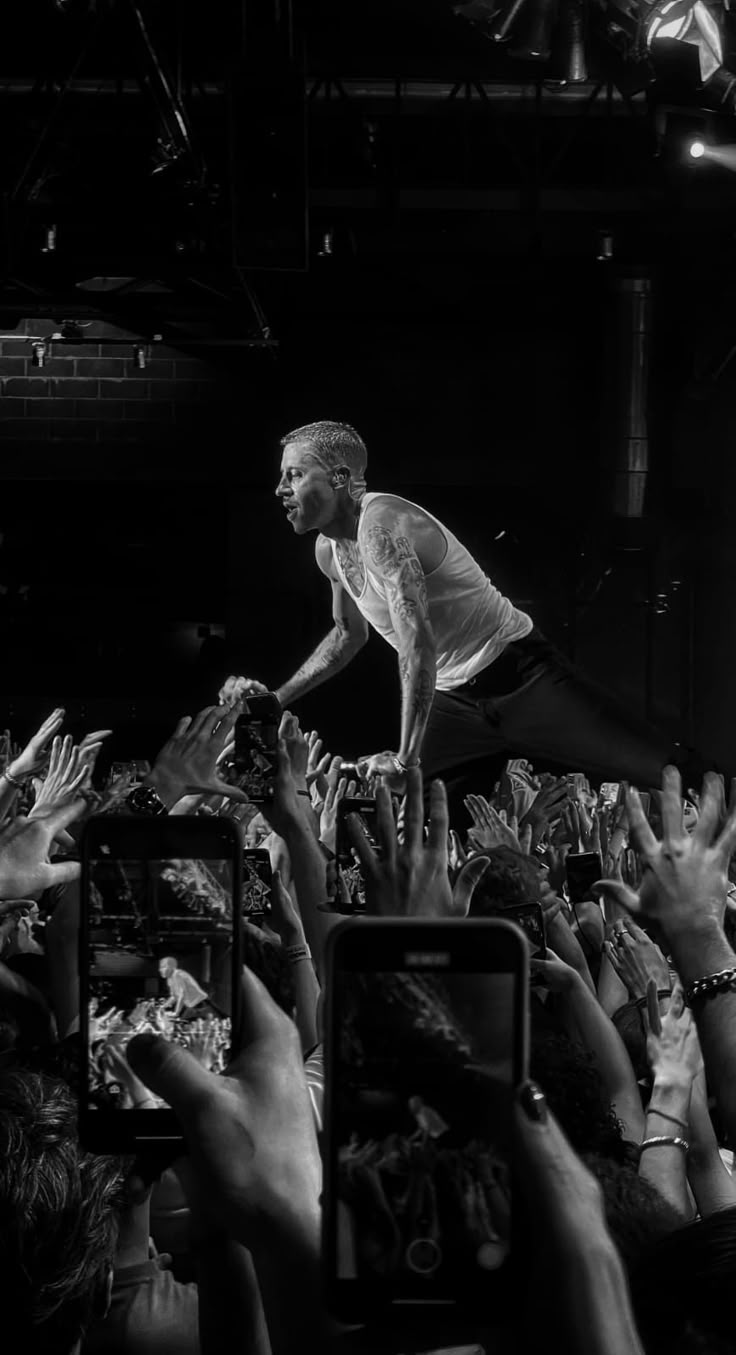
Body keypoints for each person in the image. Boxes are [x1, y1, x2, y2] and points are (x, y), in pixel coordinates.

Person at [219, 420, 686, 823]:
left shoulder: (381, 527)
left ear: (340, 478)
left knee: (666, 773)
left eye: (294, 475)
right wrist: (277, 700)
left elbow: (417, 644)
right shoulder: (329, 551)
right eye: (282, 476)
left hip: (521, 677)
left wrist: (405, 759)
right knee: (420, 826)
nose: (280, 488)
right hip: (453, 703)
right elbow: (347, 635)